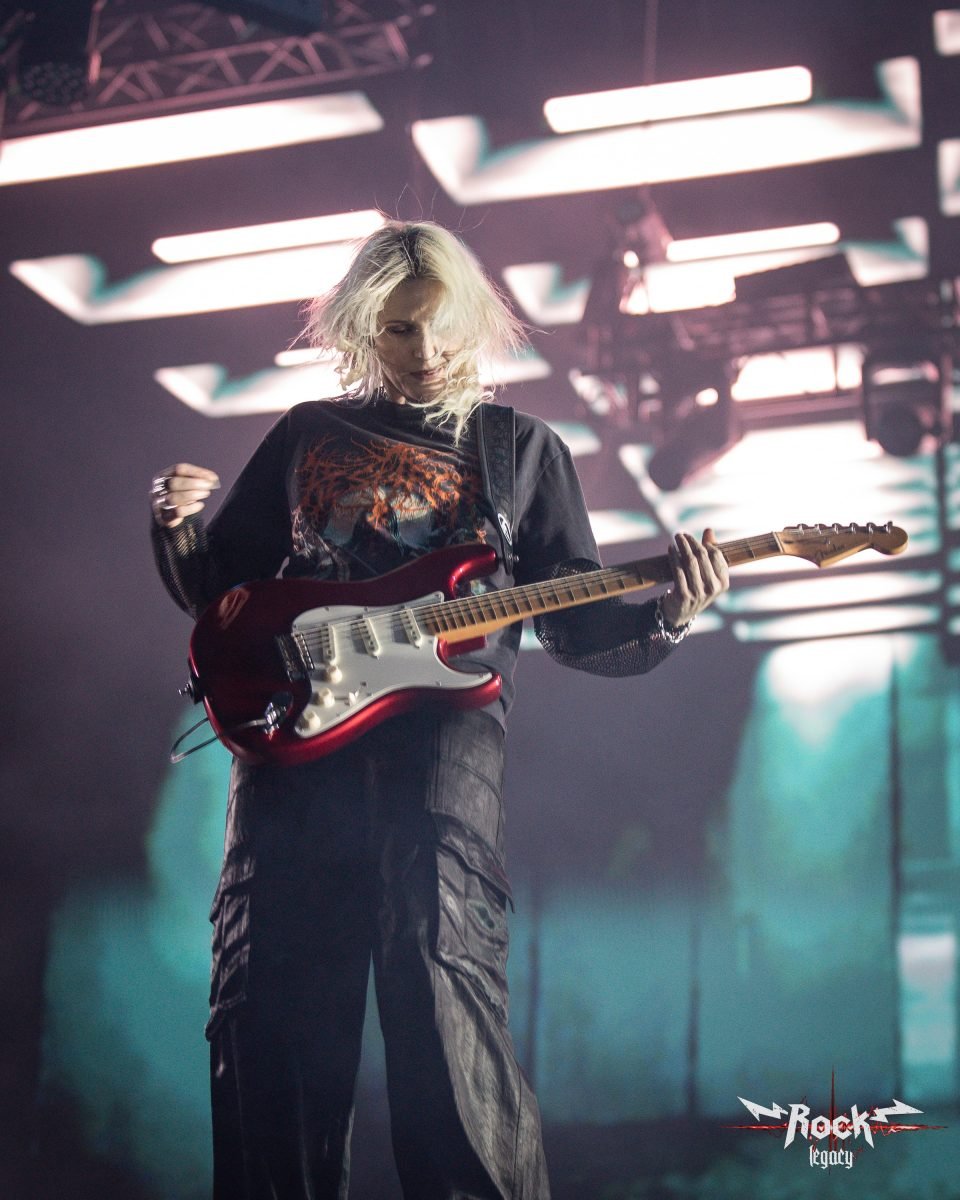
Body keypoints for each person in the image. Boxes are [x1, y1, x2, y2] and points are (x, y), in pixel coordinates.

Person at [150, 220, 729, 1200]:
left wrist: (668, 614)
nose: (423, 351)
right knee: (271, 1010)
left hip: (441, 756)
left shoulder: (521, 451)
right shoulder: (305, 434)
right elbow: (223, 596)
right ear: (359, 331)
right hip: (292, 755)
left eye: (437, 325)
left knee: (443, 989)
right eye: (396, 330)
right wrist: (174, 528)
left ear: (473, 318)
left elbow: (574, 626)